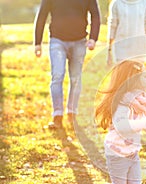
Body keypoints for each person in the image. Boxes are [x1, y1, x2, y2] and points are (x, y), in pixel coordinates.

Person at [80, 60, 146, 184]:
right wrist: (145, 123)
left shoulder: (139, 101)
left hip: (132, 151)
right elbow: (123, 127)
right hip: (117, 151)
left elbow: (143, 122)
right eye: (143, 76)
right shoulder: (122, 104)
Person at [34, 0, 101, 129]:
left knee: (75, 78)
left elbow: (95, 15)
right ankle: (57, 116)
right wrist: (38, 42)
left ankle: (72, 113)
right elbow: (42, 15)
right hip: (57, 41)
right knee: (57, 76)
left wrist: (93, 38)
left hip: (80, 42)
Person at [106, 0, 146, 65]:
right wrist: (109, 52)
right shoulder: (116, 3)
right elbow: (112, 27)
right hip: (121, 49)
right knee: (123, 74)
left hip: (139, 49)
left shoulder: (145, 3)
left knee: (137, 74)